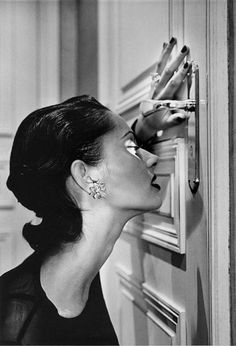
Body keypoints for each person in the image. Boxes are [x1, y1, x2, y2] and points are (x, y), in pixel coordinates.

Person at [0, 38, 190, 345]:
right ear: (83, 175)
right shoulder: (19, 325)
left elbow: (105, 170)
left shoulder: (78, 260)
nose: (151, 157)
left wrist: (141, 129)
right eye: (132, 148)